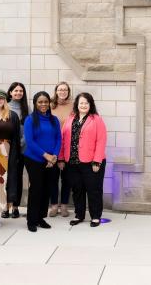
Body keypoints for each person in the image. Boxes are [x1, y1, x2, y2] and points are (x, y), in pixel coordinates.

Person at [58, 92, 107, 227]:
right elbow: (63, 139)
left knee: (93, 190)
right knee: (77, 190)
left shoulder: (96, 119)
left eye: (86, 103)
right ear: (77, 105)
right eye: (81, 103)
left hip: (91, 163)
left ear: (90, 105)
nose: (83, 105)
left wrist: (97, 161)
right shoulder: (71, 118)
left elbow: (101, 141)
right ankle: (79, 215)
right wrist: (61, 158)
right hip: (72, 162)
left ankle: (96, 216)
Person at [23, 91, 61, 231]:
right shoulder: (30, 119)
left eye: (45, 101)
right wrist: (46, 156)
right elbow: (30, 142)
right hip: (34, 159)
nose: (43, 104)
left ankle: (40, 218)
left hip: (51, 160)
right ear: (35, 103)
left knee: (46, 189)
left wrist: (54, 156)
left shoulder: (54, 119)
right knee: (36, 189)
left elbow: (59, 139)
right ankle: (31, 220)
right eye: (40, 102)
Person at [0, 89, 21, 229]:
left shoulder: (12, 116)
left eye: (1, 98)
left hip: (5, 153)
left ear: (5, 100)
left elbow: (16, 138)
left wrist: (15, 156)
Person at [4, 82, 28, 219]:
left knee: (17, 178)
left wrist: (20, 144)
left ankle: (15, 207)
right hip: (4, 149)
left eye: (21, 91)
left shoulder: (26, 108)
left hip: (21, 149)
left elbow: (28, 129)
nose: (18, 93)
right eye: (16, 90)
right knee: (5, 178)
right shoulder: (4, 106)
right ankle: (5, 206)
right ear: (10, 92)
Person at [49, 81, 72, 217]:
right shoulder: (50, 105)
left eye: (65, 90)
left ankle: (64, 205)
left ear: (68, 92)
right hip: (53, 146)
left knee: (66, 179)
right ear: (56, 91)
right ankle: (53, 205)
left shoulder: (73, 106)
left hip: (68, 147)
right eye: (60, 89)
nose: (62, 92)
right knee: (53, 178)